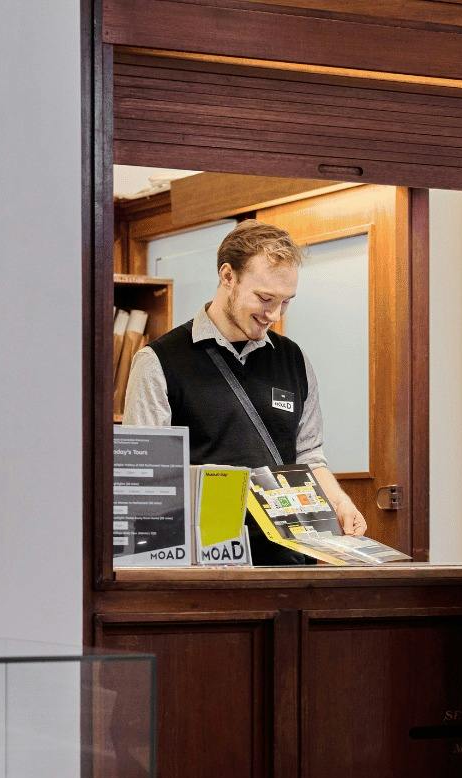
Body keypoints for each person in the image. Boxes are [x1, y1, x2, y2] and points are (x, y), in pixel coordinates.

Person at [123, 220, 367, 560]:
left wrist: (340, 503)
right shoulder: (158, 362)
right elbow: (148, 483)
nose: (275, 315)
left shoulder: (295, 360)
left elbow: (309, 456)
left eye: (286, 302)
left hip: (293, 561)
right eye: (265, 298)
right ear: (227, 276)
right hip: (211, 566)